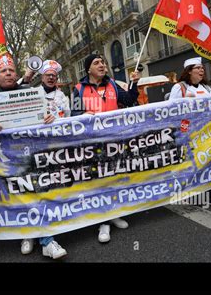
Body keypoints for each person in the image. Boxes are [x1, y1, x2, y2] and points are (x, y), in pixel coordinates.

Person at [72, 53, 140, 243]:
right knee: (99, 182)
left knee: (115, 179)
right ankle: (103, 222)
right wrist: (83, 114)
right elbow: (73, 113)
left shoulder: (113, 85)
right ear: (88, 69)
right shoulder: (78, 89)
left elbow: (128, 100)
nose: (102, 65)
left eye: (103, 62)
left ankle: (114, 214)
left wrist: (134, 83)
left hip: (115, 142)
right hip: (92, 145)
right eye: (96, 63)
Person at [17, 60, 70, 259]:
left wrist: (58, 120)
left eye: (53, 75)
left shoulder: (62, 96)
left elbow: (69, 119)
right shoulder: (30, 91)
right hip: (29, 149)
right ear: (41, 76)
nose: (50, 77)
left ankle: (46, 238)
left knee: (48, 191)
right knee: (29, 192)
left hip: (54, 149)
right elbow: (15, 100)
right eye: (47, 74)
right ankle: (31, 234)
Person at [169, 57, 211, 211]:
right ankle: (196, 194)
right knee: (193, 164)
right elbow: (169, 109)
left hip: (207, 132)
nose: (201, 70)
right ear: (189, 71)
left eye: (202, 68)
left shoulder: (207, 88)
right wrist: (183, 101)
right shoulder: (179, 88)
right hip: (187, 133)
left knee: (210, 161)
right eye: (197, 67)